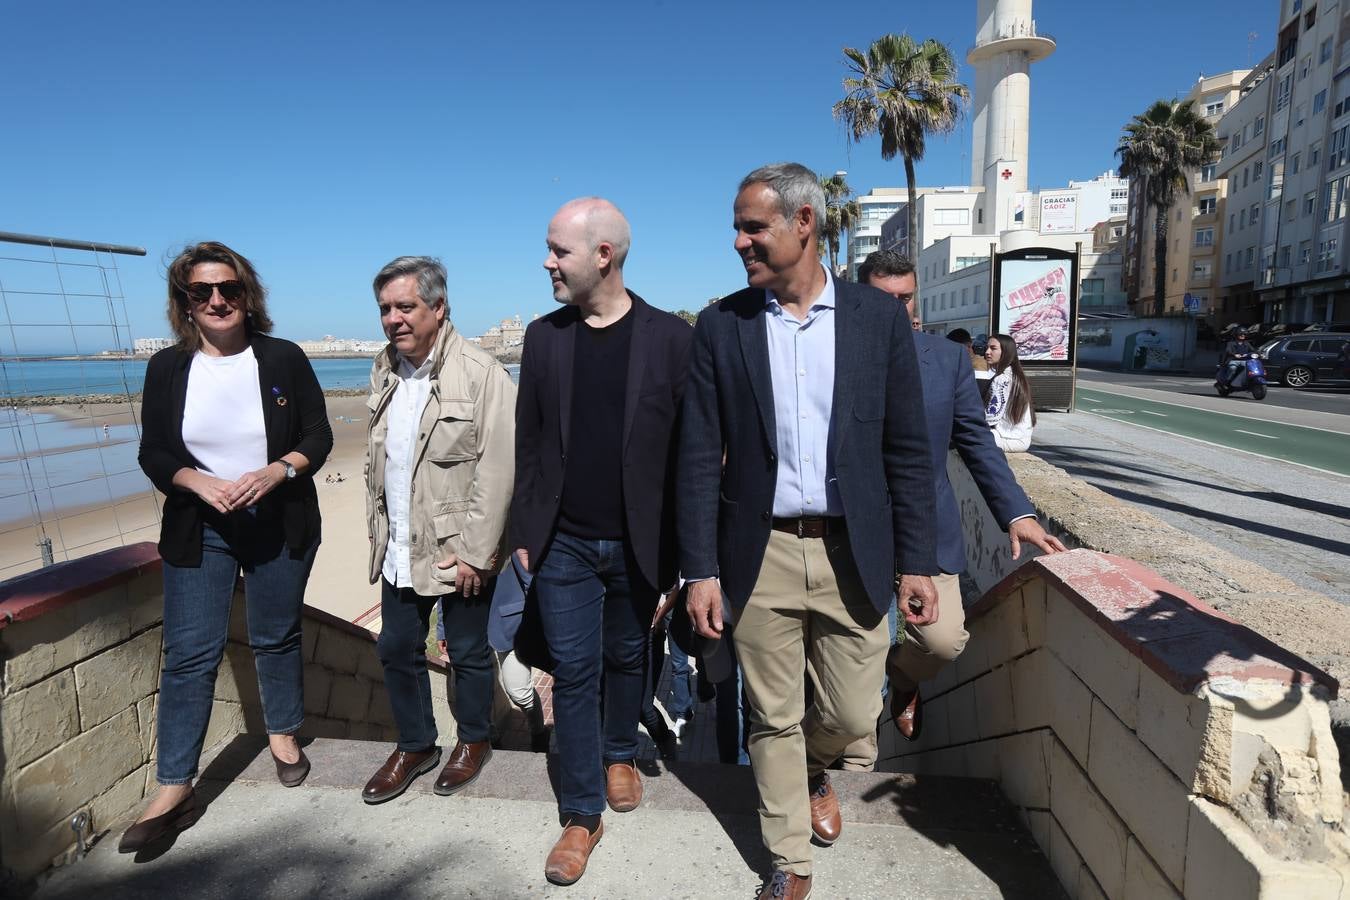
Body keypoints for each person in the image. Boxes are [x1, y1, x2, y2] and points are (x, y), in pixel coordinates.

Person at [678, 163, 939, 900]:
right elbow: (698, 457)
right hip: (754, 553)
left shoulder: (876, 320)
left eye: (753, 227)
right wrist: (698, 568)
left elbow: (908, 450)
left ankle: (812, 768)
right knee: (771, 714)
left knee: (856, 714)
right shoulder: (721, 325)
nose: (739, 242)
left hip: (854, 551)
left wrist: (916, 561)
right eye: (736, 227)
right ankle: (789, 864)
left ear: (804, 224)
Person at [127, 241, 332, 852]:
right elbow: (155, 452)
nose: (217, 300)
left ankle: (283, 735)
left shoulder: (284, 358)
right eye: (202, 292)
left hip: (279, 520)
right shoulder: (166, 368)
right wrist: (196, 481)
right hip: (201, 526)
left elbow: (317, 435)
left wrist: (277, 472)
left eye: (229, 289)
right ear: (185, 303)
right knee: (191, 651)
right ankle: (174, 785)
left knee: (276, 634)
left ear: (247, 295)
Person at [511, 198, 692, 886]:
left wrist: (682, 560)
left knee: (629, 654)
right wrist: (527, 534)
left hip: (643, 546)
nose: (547, 261)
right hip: (564, 546)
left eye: (558, 250)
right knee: (574, 671)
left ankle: (622, 750)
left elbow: (688, 458)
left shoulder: (672, 340)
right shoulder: (543, 338)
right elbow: (530, 445)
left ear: (603, 256)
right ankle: (582, 815)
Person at [847, 249, 1066, 764]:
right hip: (856, 533)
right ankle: (854, 767)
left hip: (930, 528)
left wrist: (1017, 512)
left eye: (905, 299)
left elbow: (976, 443)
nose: (897, 310)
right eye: (884, 300)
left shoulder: (945, 361)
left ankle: (903, 681)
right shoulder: (836, 356)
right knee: (857, 657)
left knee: (941, 642)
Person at [361, 256, 515, 805]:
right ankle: (416, 744)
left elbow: (498, 471)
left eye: (406, 306)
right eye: (386, 308)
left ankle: (474, 740)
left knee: (468, 652)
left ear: (439, 307)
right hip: (400, 545)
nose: (394, 319)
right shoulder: (383, 369)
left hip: (460, 548)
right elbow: (382, 464)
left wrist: (478, 553)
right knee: (395, 646)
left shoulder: (480, 373)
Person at [436, 555, 550, 752]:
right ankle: (490, 737)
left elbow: (529, 574)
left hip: (510, 621)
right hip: (467, 621)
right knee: (471, 690)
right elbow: (445, 585)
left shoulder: (505, 527)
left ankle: (539, 733)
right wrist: (442, 628)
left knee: (519, 691)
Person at [984, 334, 1036, 452]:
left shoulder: (1002, 379)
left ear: (1006, 352)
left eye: (993, 348)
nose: (987, 352)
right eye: (987, 348)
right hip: (1020, 437)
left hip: (1009, 438)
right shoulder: (1015, 374)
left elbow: (991, 417)